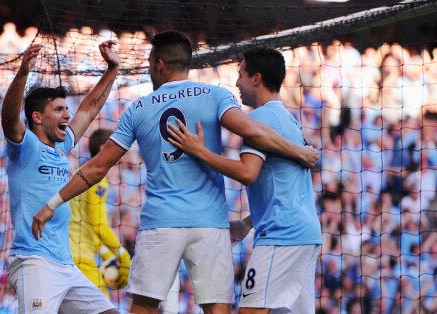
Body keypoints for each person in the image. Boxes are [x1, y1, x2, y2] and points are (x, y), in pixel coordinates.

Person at [34, 31, 319, 314]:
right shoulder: (216, 95)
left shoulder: (138, 108)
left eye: (148, 62)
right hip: (211, 223)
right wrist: (300, 151)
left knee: (143, 308)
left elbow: (97, 167)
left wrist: (52, 204)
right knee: (218, 309)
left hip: (161, 222)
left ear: (158, 64)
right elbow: (252, 131)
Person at [167, 47, 323, 313]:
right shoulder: (288, 118)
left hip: (281, 236)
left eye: (240, 75)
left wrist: (199, 151)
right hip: (306, 235)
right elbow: (286, 186)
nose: (237, 82)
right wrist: (250, 223)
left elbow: (247, 173)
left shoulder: (259, 117)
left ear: (256, 78)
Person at [1, 40, 120, 313]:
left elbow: (89, 109)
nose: (68, 115)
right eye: (59, 110)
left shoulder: (61, 146)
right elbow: (9, 118)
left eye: (66, 109)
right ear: (37, 118)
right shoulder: (26, 146)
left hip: (66, 264)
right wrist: (22, 73)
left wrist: (112, 69)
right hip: (35, 261)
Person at [69, 128, 132, 298]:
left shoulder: (81, 172)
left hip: (70, 255)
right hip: (80, 258)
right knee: (104, 305)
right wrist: (123, 256)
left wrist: (106, 254)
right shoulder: (97, 179)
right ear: (105, 147)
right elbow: (99, 225)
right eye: (119, 147)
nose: (122, 153)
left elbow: (87, 225)